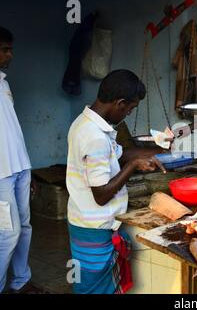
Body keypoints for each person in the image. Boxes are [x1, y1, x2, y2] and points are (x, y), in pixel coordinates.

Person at [66, 69, 166, 294]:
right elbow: (101, 195)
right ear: (120, 103)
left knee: (93, 283)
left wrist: (161, 151)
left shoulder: (86, 122)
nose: (129, 114)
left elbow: (120, 154)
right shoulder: (94, 137)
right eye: (130, 109)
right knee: (91, 288)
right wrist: (133, 166)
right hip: (93, 226)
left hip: (85, 221)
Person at [0, 26, 34, 294]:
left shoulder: (4, 82)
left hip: (20, 167)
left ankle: (20, 280)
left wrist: (26, 166)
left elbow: (11, 128)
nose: (10, 55)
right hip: (0, 175)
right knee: (7, 233)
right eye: (4, 50)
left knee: (23, 227)